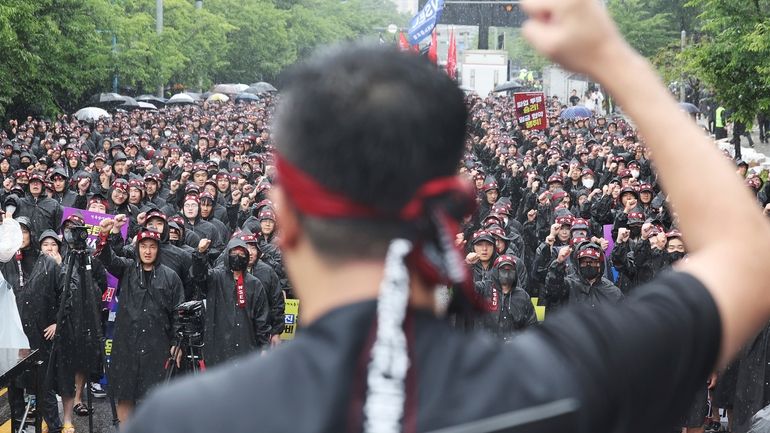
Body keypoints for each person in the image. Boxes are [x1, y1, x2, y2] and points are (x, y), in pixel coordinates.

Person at [75, 3, 770, 430]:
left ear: (282, 217)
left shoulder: (191, 420)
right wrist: (612, 60)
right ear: (452, 202)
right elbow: (748, 256)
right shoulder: (554, 385)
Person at [94, 222, 184, 423]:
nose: (148, 251)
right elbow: (107, 257)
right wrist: (104, 235)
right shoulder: (126, 269)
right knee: (125, 396)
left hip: (158, 345)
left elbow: (179, 313)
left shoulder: (171, 277)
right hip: (127, 344)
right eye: (143, 246)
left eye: (152, 246)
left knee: (156, 398)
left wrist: (177, 344)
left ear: (159, 249)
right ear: (137, 248)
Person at [193, 238, 271, 366]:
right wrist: (200, 253)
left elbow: (262, 319)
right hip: (219, 348)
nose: (238, 257)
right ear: (227, 255)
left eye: (241, 254)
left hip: (247, 347)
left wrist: (264, 347)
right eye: (234, 253)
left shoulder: (254, 284)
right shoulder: (216, 278)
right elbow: (199, 276)